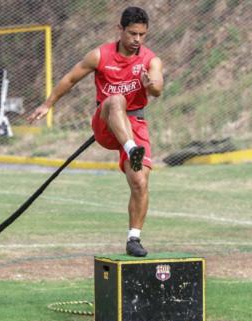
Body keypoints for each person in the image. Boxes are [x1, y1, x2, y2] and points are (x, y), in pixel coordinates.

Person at [27, 6, 163, 257]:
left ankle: (134, 239)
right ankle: (131, 148)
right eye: (132, 33)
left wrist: (150, 85)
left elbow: (157, 88)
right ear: (119, 29)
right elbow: (69, 80)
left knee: (140, 182)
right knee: (115, 100)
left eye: (142, 35)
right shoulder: (100, 55)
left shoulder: (150, 60)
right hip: (106, 122)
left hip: (135, 123)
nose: (137, 40)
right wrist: (47, 105)